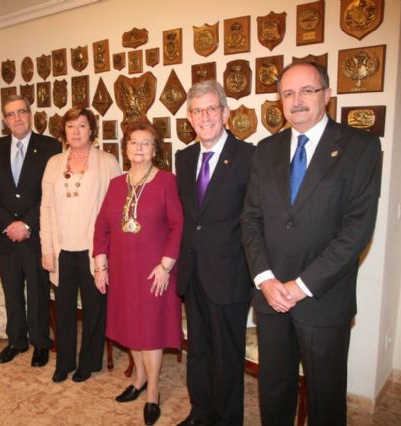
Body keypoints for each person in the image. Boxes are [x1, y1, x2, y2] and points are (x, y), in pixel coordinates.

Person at [240, 61, 381, 426]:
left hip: (323, 299)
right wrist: (265, 279)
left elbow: (356, 231)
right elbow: (250, 220)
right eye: (288, 93)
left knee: (325, 399)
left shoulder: (360, 147)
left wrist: (300, 286)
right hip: (271, 297)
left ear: (327, 95)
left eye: (307, 91)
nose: (296, 100)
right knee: (274, 392)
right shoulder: (265, 150)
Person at [175, 80, 254, 426]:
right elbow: (188, 218)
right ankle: (200, 412)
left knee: (227, 356)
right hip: (193, 272)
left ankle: (227, 420)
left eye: (211, 108)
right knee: (199, 351)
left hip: (230, 275)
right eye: (197, 111)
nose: (204, 116)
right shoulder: (184, 158)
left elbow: (255, 219)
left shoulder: (249, 156)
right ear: (189, 118)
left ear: (225, 113)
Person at [94, 122, 183, 426]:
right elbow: (102, 226)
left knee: (150, 331)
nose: (139, 148)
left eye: (147, 143)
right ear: (126, 147)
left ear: (156, 149)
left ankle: (153, 391)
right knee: (131, 327)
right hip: (123, 270)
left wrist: (166, 265)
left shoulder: (167, 181)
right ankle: (139, 379)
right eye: (134, 142)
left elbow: (178, 226)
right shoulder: (116, 183)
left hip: (154, 271)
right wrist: (100, 264)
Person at [40, 107, 121, 383]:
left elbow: (114, 210)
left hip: (94, 251)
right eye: (71, 126)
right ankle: (64, 362)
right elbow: (45, 208)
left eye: (82, 125)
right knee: (63, 309)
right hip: (61, 249)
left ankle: (89, 362)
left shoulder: (107, 162)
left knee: (94, 309)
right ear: (64, 131)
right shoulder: (54, 163)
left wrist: (106, 253)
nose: (76, 131)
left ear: (91, 130)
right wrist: (47, 249)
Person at [0, 95, 61, 367]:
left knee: (38, 291)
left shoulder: (50, 146)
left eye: (21, 112)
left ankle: (40, 342)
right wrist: (8, 224)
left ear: (30, 114)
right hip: (6, 236)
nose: (17, 118)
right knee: (12, 291)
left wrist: (27, 224)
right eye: (10, 114)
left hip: (36, 234)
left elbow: (51, 192)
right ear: (5, 120)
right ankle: (16, 341)